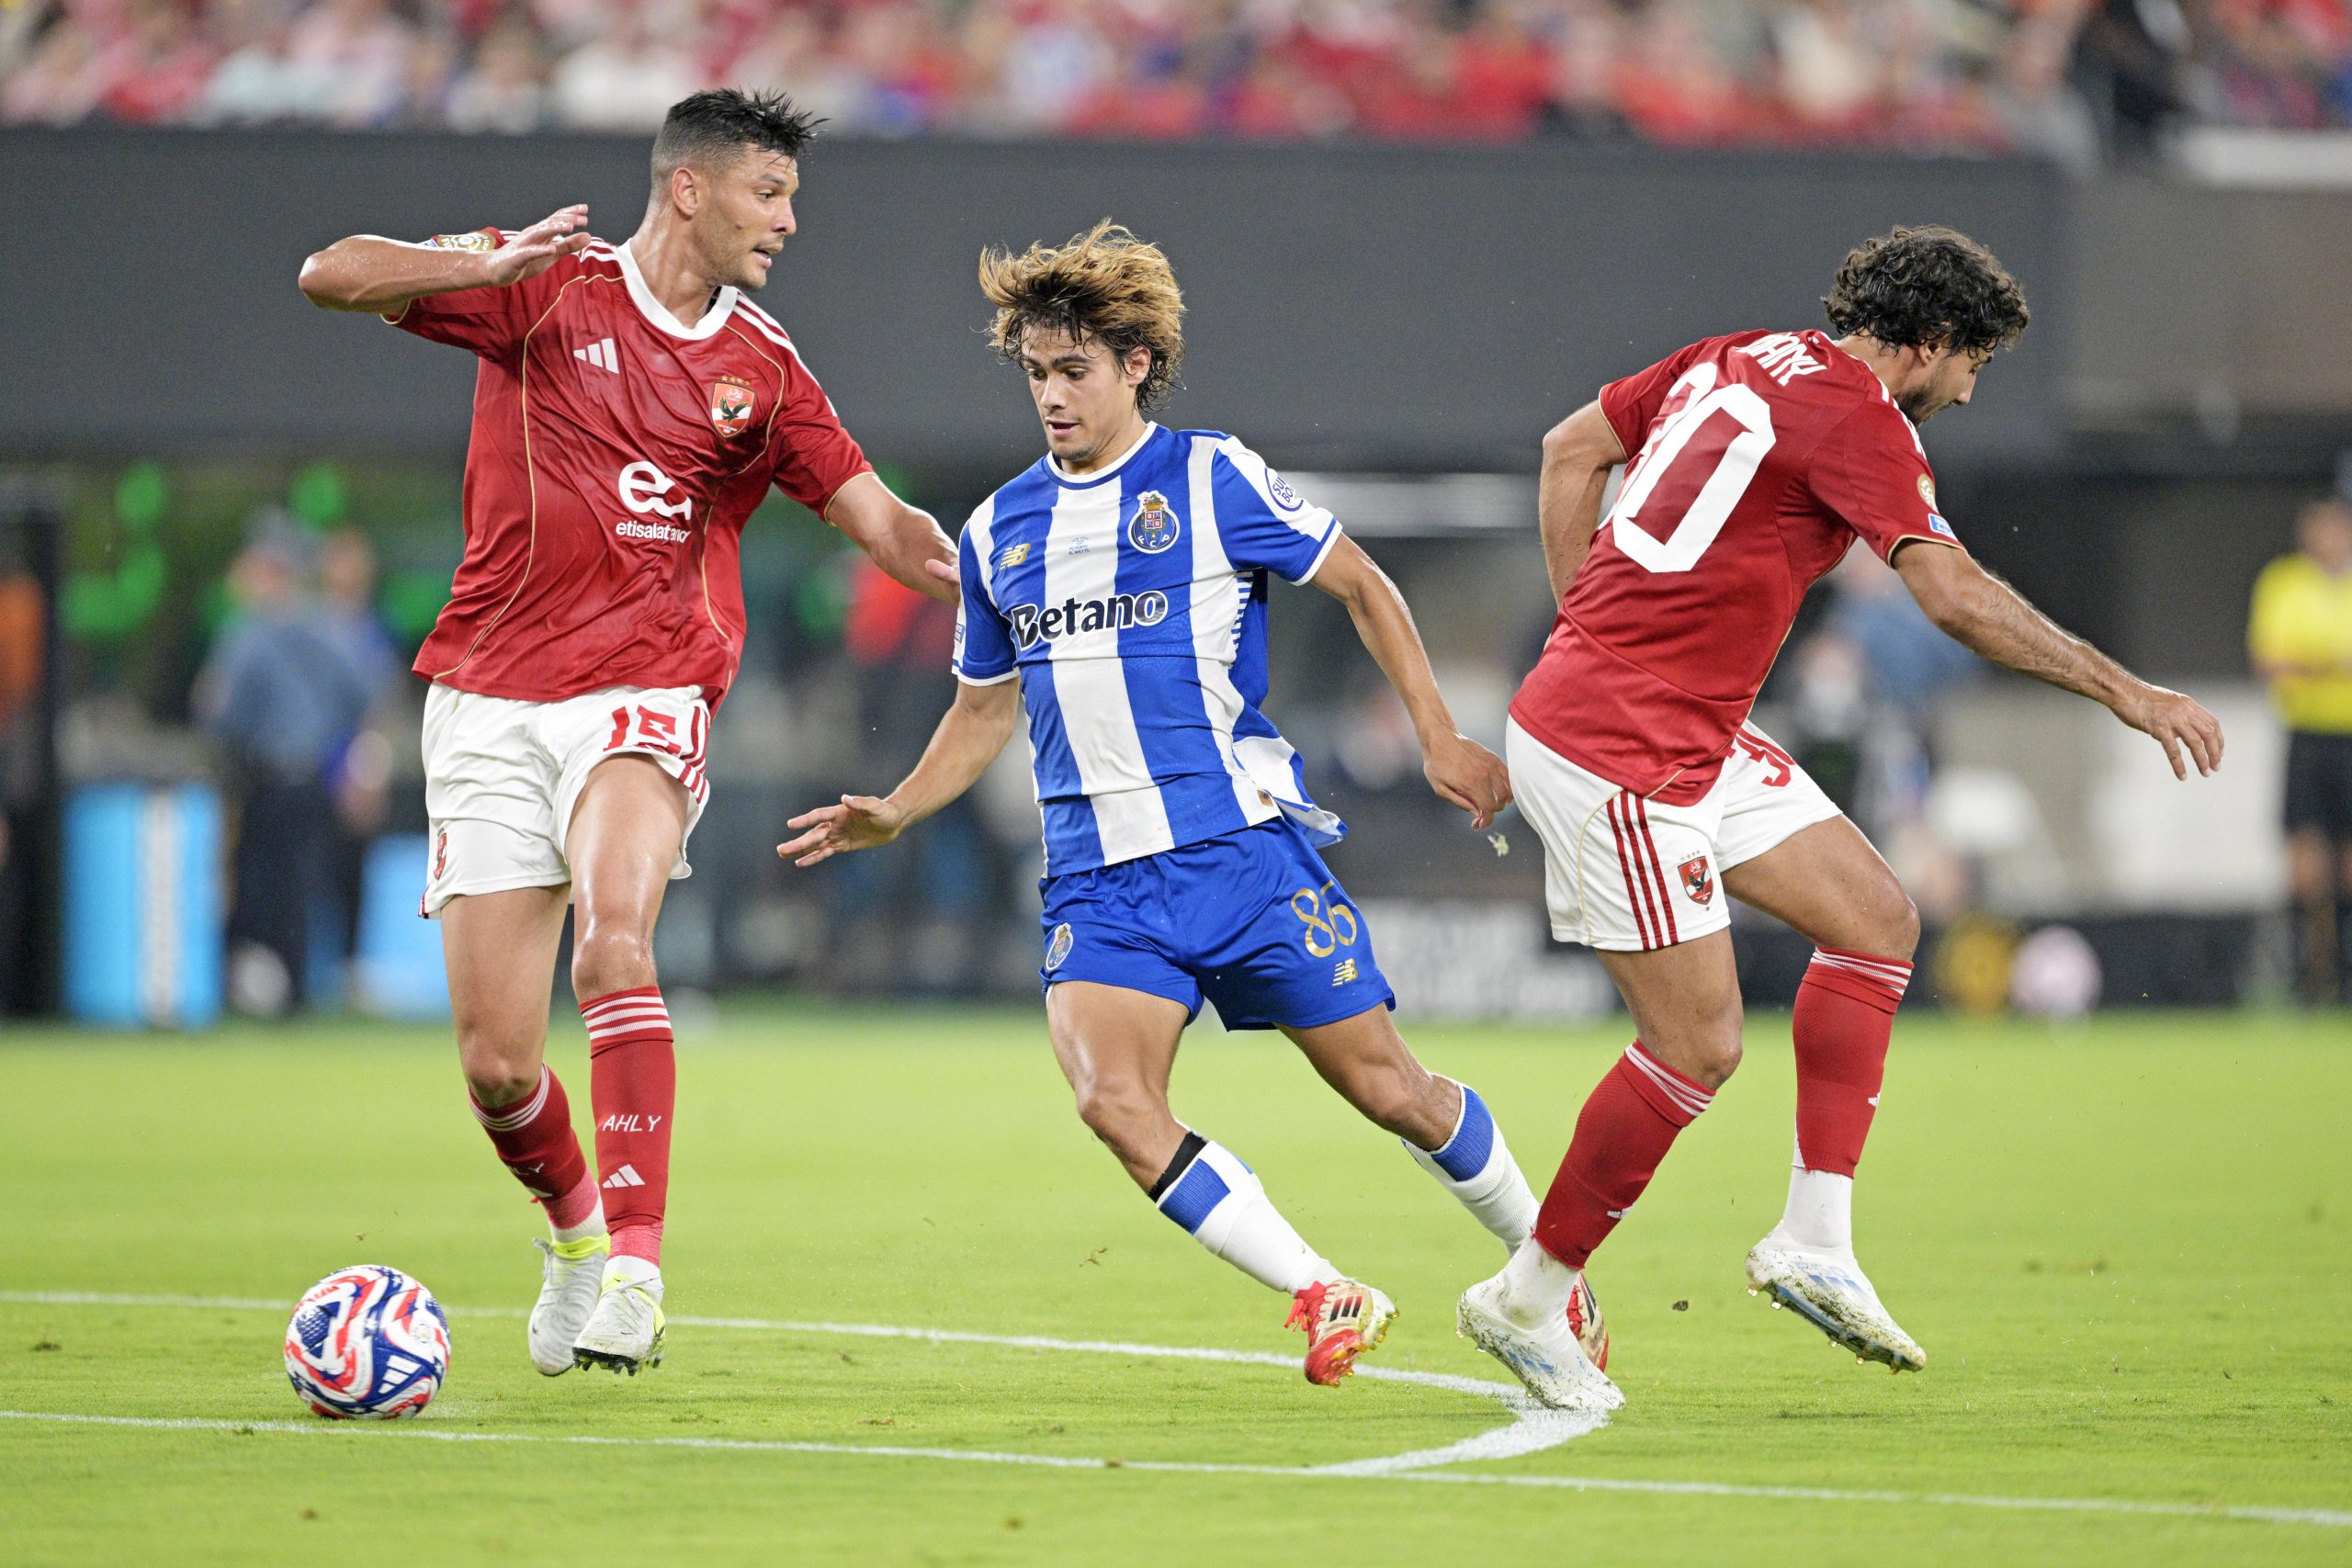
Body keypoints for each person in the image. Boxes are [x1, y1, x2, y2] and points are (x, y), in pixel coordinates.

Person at [777, 222, 1606, 1388]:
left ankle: (1547, 1274)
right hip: (1099, 880)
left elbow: (1362, 583)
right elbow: (982, 707)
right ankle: (1325, 1289)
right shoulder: (997, 531)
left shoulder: (1209, 475)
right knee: (1113, 1103)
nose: (1052, 397)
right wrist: (901, 808)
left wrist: (1436, 737)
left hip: (1238, 853)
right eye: (1035, 375)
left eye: (1073, 371)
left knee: (1393, 1092)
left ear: (1134, 366)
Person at [1457, 225, 2224, 1411]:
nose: (1970, 387)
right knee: (1699, 1043)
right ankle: (1527, 1291)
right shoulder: (1866, 417)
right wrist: (2128, 688)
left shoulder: (1737, 354)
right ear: (1924, 343)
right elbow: (1952, 593)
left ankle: (1816, 1235)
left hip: (1675, 721)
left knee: (1875, 915)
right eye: (1972, 361)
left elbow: (1571, 450)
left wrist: (1582, 623)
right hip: (1620, 746)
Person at [297, 88, 955, 1378]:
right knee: (497, 1064)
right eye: (772, 195)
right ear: (693, 189)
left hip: (646, 690)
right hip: (488, 694)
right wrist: (480, 263)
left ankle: (641, 1274)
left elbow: (880, 521)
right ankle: (576, 1233)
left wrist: (1002, 576)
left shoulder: (763, 367)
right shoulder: (541, 283)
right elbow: (330, 274)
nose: (789, 221)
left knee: (613, 935)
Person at [195, 524, 380, 1015]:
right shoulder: (328, 629)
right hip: (316, 781)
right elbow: (363, 699)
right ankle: (298, 991)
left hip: (269, 783)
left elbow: (223, 716)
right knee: (303, 893)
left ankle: (265, 996)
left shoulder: (247, 634)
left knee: (261, 892)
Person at [2248, 496, 2352, 1004]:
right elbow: (2271, 662)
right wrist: (2331, 667)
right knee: (2305, 864)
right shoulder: (2284, 582)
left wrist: (2309, 664)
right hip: (2307, 737)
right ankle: (2308, 978)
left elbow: (2296, 662)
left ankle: (2346, 977)